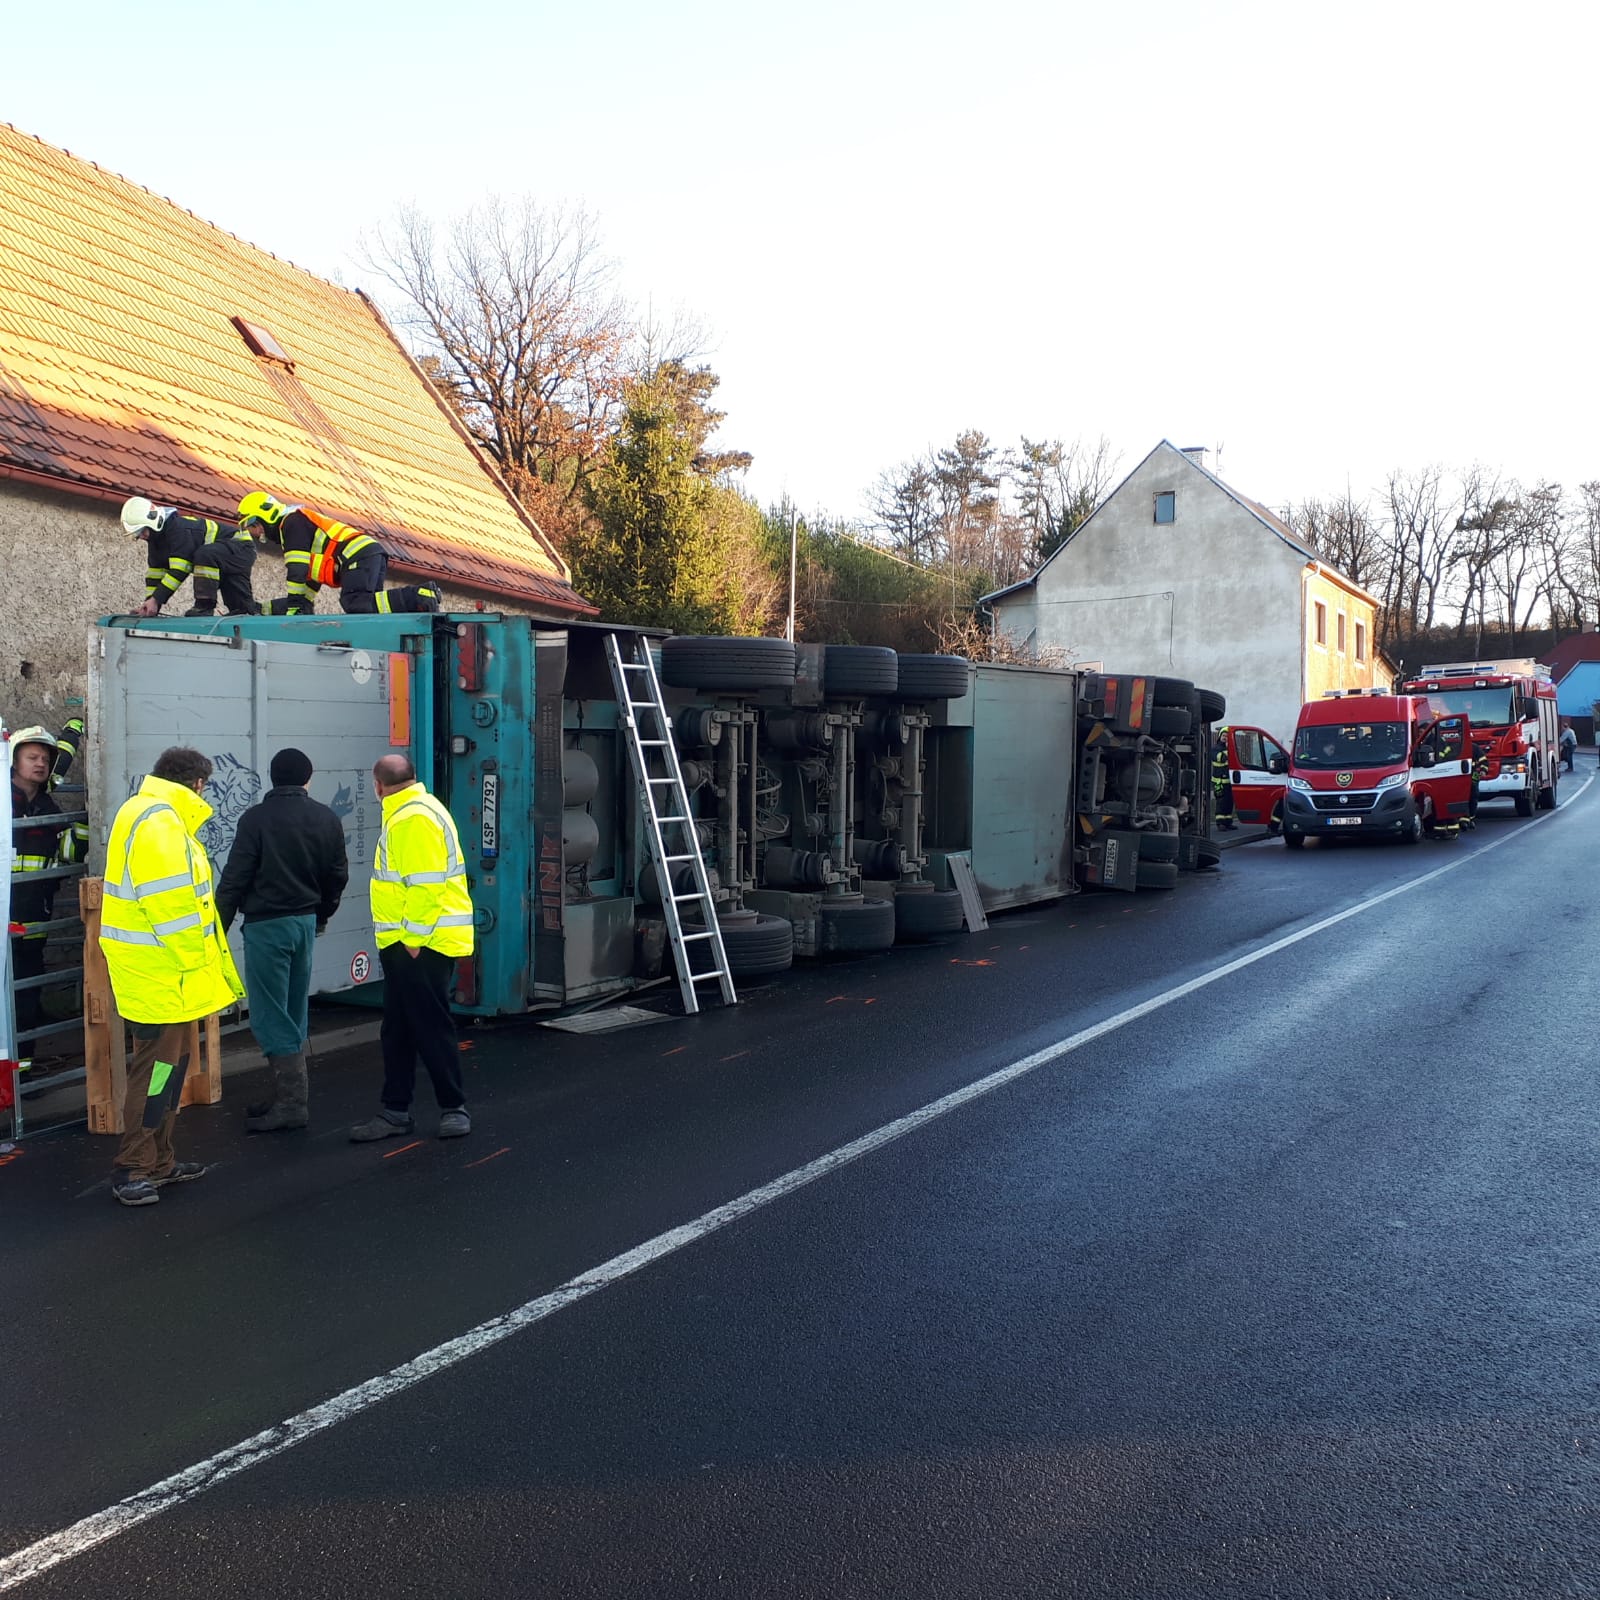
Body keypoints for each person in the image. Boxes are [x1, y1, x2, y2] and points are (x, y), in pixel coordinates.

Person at [99, 746, 244, 1207]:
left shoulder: (144, 812)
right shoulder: (161, 821)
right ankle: (133, 1167)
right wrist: (197, 966)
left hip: (160, 973)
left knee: (170, 1068)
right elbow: (173, 908)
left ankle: (159, 1161)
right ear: (197, 783)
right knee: (157, 1071)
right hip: (165, 974)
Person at [215, 748, 349, 1133]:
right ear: (308, 778)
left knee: (269, 1013)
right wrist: (321, 916)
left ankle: (292, 1103)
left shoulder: (255, 819)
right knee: (293, 1009)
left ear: (273, 778)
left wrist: (216, 933)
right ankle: (285, 1096)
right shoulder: (325, 818)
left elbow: (235, 879)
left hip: (266, 927)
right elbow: (336, 876)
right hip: (305, 923)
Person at [350, 754, 473, 1142]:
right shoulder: (418, 809)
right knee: (399, 1028)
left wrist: (414, 941)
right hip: (408, 941)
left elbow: (425, 885)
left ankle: (453, 1107)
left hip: (420, 943)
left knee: (429, 1025)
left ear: (378, 785)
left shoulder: (411, 818)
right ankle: (396, 1110)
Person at [236, 493, 441, 617]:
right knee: (369, 611)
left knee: (354, 602)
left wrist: (295, 608)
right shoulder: (298, 528)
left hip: (357, 556)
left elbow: (296, 571)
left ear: (265, 515)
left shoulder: (291, 523)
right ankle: (419, 601)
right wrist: (261, 609)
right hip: (366, 555)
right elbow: (304, 596)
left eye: (253, 525)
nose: (256, 533)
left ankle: (419, 595)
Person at [8, 727, 81, 1064]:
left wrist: (84, 829)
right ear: (14, 760)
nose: (40, 764)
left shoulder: (48, 807)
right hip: (3, 919)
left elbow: (65, 855)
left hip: (35, 919)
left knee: (26, 996)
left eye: (45, 759)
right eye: (32, 757)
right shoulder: (3, 801)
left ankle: (23, 1072)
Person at [121, 496, 258, 618]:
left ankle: (204, 607)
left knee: (204, 554)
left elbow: (180, 570)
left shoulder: (178, 530)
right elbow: (155, 574)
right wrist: (150, 603)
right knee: (241, 609)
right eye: (136, 534)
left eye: (140, 531)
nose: (140, 537)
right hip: (226, 554)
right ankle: (254, 612)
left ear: (152, 520)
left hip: (241, 546)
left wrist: (156, 599)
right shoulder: (156, 540)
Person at [1210, 726, 1236, 831]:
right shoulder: (1215, 748)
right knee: (1220, 801)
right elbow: (1221, 758)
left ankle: (1228, 822)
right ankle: (1220, 823)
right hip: (1218, 781)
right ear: (1220, 736)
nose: (1225, 737)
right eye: (1223, 735)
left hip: (1229, 781)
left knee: (1229, 801)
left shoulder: (1229, 748)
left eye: (1227, 736)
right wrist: (1228, 750)